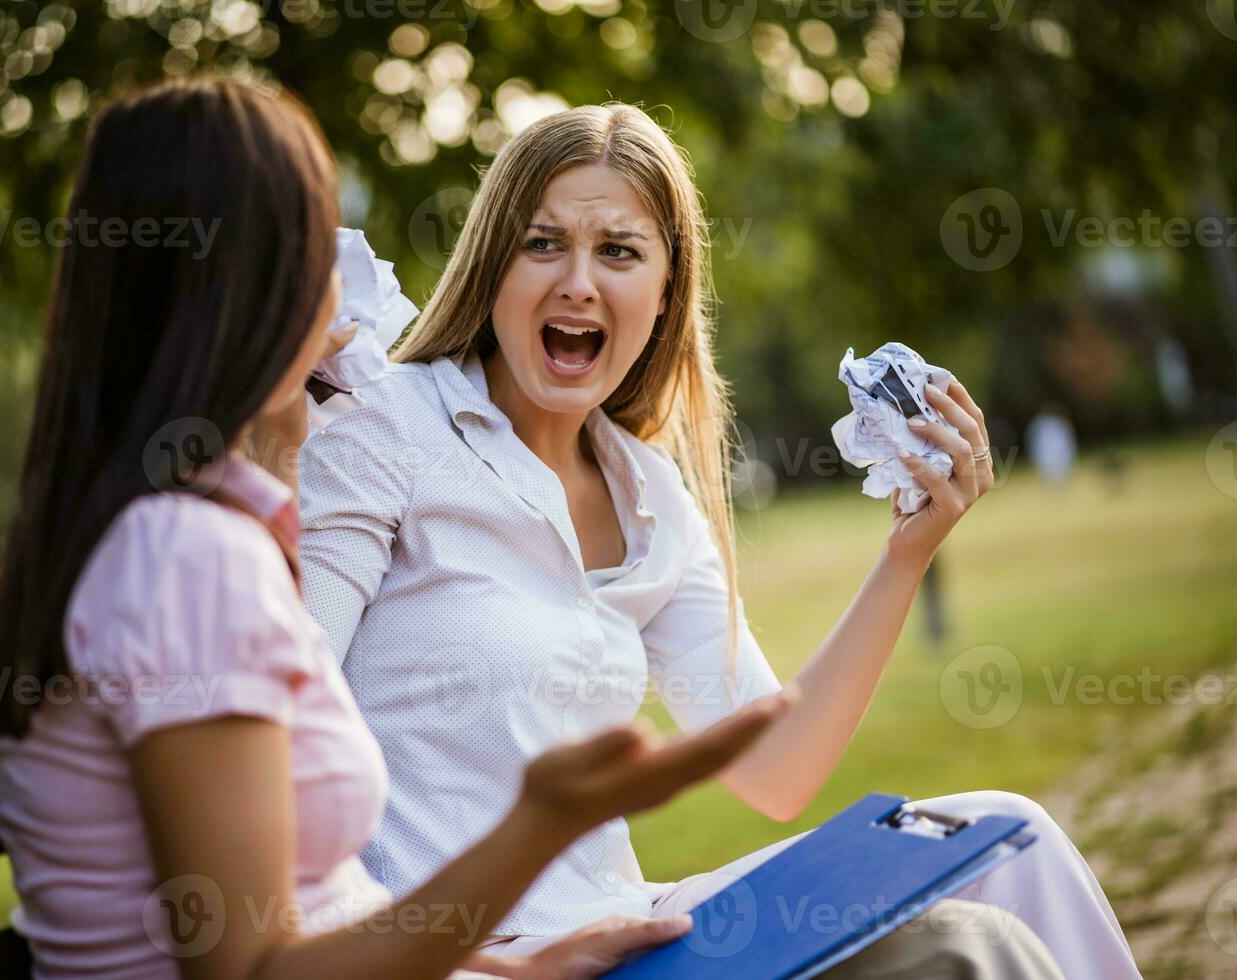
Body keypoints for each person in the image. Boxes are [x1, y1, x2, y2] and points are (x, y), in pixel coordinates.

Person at [0, 77, 804, 980]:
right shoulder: (186, 558)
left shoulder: (193, 539)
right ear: (246, 294)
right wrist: (541, 823)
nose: (343, 289)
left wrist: (516, 972)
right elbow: (253, 970)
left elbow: (319, 911)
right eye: (312, 250)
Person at [298, 103, 1140, 978]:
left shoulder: (650, 491)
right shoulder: (384, 429)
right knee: (966, 951)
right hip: (464, 959)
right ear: (492, 267)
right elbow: (283, 750)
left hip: (630, 923)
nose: (578, 282)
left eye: (618, 251)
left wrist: (907, 555)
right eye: (542, 243)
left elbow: (775, 770)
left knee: (1018, 837)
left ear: (665, 294)